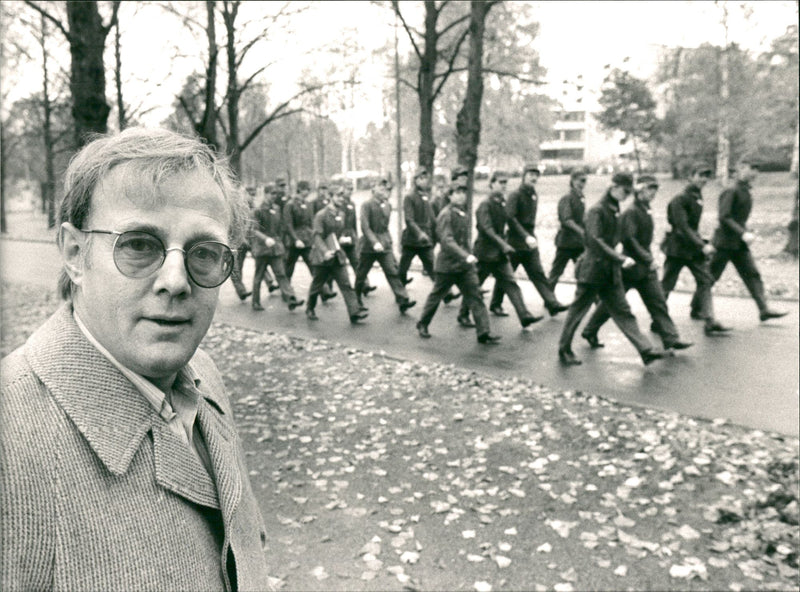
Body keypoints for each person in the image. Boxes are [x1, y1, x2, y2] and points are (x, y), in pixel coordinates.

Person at [0, 127, 269, 589]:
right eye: (139, 245)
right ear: (74, 254)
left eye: (204, 253)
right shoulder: (9, 442)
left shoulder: (201, 374)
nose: (176, 281)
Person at [557, 173, 665, 366]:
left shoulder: (614, 209)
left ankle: (645, 350)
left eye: (629, 191)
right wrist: (620, 258)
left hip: (609, 271)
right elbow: (595, 241)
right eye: (624, 190)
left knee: (623, 311)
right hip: (592, 270)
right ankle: (564, 349)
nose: (626, 195)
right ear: (613, 187)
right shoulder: (597, 210)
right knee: (577, 312)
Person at [580, 175, 693, 352]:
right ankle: (589, 330)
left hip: (645, 267)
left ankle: (671, 338)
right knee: (611, 306)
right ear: (639, 190)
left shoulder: (646, 210)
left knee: (658, 302)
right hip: (630, 267)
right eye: (649, 189)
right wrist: (647, 259)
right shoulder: (631, 212)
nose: (653, 193)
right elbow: (629, 240)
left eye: (655, 190)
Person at [456, 171, 542, 330]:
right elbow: (487, 229)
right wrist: (504, 244)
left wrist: (516, 240)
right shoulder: (485, 205)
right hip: (485, 253)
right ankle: (463, 313)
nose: (504, 186)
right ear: (492, 183)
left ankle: (524, 316)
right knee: (474, 286)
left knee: (511, 284)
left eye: (505, 183)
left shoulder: (502, 203)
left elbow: (509, 221)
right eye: (501, 182)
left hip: (499, 255)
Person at [416, 185, 501, 344]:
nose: (461, 196)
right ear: (449, 196)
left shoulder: (463, 214)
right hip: (447, 266)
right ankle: (423, 323)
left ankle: (484, 332)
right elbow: (447, 241)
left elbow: (465, 240)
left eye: (464, 193)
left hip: (464, 267)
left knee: (475, 296)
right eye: (457, 193)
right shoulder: (445, 215)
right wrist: (465, 256)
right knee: (436, 296)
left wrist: (470, 258)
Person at [708, 157, 787, 322]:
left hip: (738, 244)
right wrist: (742, 233)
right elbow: (724, 216)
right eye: (753, 168)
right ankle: (698, 307)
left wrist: (744, 232)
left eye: (757, 169)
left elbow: (737, 217)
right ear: (741, 168)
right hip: (723, 243)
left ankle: (764, 309)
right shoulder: (731, 190)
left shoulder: (744, 190)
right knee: (711, 276)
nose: (755, 173)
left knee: (752, 274)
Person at [660, 162, 730, 336]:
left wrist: (701, 242)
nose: (704, 179)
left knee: (705, 280)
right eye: (700, 175)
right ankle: (658, 319)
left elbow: (691, 227)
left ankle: (710, 320)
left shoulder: (696, 197)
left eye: (706, 176)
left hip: (691, 249)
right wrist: (701, 245)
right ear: (690, 177)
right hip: (677, 249)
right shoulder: (680, 199)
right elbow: (682, 227)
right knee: (667, 284)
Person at [489, 163, 568, 317]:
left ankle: (552, 303)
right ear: (524, 175)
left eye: (536, 175)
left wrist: (530, 237)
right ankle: (496, 303)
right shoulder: (515, 195)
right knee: (507, 275)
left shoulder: (533, 194)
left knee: (537, 273)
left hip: (530, 240)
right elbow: (510, 218)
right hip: (515, 241)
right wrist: (525, 236)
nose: (534, 177)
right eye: (531, 174)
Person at [354, 178, 416, 314]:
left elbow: (385, 227)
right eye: (380, 188)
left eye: (385, 188)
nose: (383, 191)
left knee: (392, 271)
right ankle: (356, 299)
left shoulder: (387, 205)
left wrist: (388, 240)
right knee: (361, 274)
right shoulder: (367, 205)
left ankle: (403, 299)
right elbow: (365, 227)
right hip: (369, 247)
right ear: (373, 190)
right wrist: (374, 242)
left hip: (384, 244)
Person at [306, 191, 367, 323]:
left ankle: (354, 312)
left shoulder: (341, 214)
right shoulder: (321, 215)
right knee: (317, 285)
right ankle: (310, 308)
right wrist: (325, 252)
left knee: (346, 284)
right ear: (330, 197)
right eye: (338, 196)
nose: (341, 199)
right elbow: (317, 236)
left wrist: (343, 239)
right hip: (322, 258)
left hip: (337, 255)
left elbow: (337, 235)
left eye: (342, 197)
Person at [250, 188, 304, 312]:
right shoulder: (258, 210)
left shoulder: (277, 208)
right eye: (272, 193)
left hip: (275, 248)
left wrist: (280, 241)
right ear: (266, 194)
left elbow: (280, 227)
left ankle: (291, 298)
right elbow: (254, 230)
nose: (274, 196)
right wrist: (265, 239)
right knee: (258, 275)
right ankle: (255, 302)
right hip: (262, 249)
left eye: (276, 193)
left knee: (281, 274)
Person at [284, 179, 335, 301]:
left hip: (307, 241)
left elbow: (311, 223)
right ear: (299, 190)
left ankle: (325, 291)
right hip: (294, 242)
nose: (307, 192)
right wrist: (295, 239)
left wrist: (313, 239)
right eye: (305, 190)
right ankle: (287, 293)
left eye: (308, 190)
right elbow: (288, 224)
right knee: (288, 270)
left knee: (314, 267)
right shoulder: (290, 205)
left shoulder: (308, 204)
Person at [548, 171, 587, 290]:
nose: (582, 184)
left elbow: (581, 218)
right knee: (556, 272)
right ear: (573, 180)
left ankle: (594, 300)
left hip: (578, 243)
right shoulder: (567, 198)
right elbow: (566, 219)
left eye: (584, 181)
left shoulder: (581, 197)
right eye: (580, 180)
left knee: (584, 271)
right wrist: (581, 231)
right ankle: (549, 298)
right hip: (566, 242)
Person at [398, 167, 437, 287]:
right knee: (404, 267)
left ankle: (445, 293)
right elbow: (409, 220)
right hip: (412, 239)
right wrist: (419, 233)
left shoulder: (425, 196)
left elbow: (431, 217)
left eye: (426, 178)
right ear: (415, 180)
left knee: (432, 266)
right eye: (421, 178)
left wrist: (436, 229)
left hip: (425, 240)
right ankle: (400, 286)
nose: (424, 181)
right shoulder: (409, 197)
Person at [229, 186, 255, 301]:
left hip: (244, 241)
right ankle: (241, 290)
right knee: (233, 268)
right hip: (231, 242)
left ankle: (241, 291)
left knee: (239, 267)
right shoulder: (230, 208)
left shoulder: (247, 207)